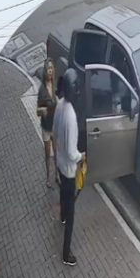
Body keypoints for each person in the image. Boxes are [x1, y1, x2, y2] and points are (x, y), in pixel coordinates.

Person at [54, 68, 85, 267]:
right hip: (69, 168)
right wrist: (82, 156)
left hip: (59, 162)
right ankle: (66, 254)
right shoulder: (72, 118)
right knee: (71, 211)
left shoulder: (59, 105)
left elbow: (55, 131)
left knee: (63, 196)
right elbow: (74, 153)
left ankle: (62, 215)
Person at [36, 60, 58, 189]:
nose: (50, 71)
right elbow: (37, 111)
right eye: (48, 68)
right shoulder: (42, 90)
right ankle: (48, 178)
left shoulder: (53, 86)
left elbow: (56, 101)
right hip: (46, 127)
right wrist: (42, 110)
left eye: (52, 68)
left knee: (56, 152)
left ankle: (57, 176)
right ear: (45, 71)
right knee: (48, 154)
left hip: (54, 125)